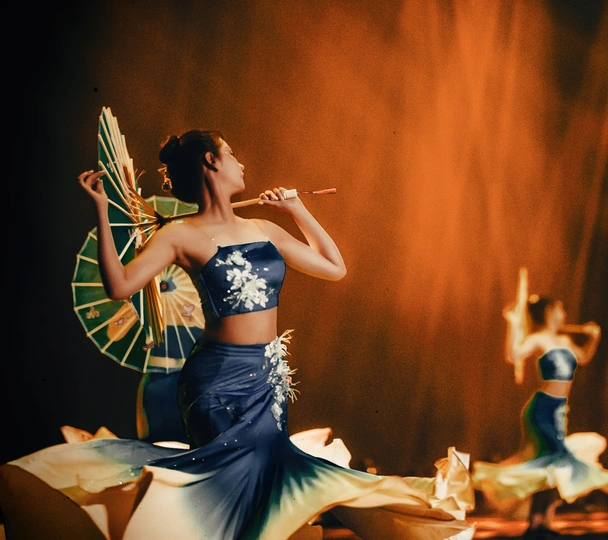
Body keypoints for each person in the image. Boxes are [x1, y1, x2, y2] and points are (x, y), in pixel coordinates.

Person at [0, 129, 474, 540]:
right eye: (232, 154)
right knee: (226, 487)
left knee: (270, 482)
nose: (241, 163)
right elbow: (120, 286)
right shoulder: (178, 235)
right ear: (211, 161)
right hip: (216, 382)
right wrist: (103, 212)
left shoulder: (263, 227)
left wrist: (297, 209)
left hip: (267, 381)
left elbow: (335, 268)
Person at [471, 268, 608, 539]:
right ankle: (537, 525)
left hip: (559, 411)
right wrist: (513, 322)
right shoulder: (538, 338)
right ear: (549, 312)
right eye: (560, 309)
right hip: (541, 410)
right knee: (554, 465)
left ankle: (542, 524)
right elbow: (513, 354)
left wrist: (593, 337)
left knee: (553, 469)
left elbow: (583, 357)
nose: (564, 314)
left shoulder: (563, 340)